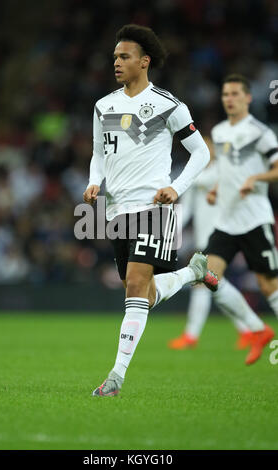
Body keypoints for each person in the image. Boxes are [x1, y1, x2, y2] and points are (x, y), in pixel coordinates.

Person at [83, 24, 218, 397]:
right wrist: (95, 181)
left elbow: (201, 153)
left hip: (154, 208)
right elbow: (98, 153)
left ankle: (116, 377)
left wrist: (175, 187)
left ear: (144, 61)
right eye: (114, 57)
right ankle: (192, 273)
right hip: (116, 210)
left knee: (138, 285)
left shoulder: (167, 104)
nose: (117, 62)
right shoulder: (103, 105)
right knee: (138, 291)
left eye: (124, 57)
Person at [197, 74, 278, 365]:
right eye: (225, 94)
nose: (228, 99)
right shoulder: (219, 132)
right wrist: (217, 189)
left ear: (248, 97)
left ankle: (259, 329)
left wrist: (256, 177)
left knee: (269, 286)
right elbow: (225, 168)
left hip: (255, 218)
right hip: (227, 220)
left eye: (234, 94)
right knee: (207, 276)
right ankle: (258, 329)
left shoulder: (260, 132)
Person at [168, 138, 254, 351]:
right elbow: (186, 210)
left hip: (220, 238)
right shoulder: (197, 179)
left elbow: (205, 179)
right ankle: (248, 330)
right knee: (213, 285)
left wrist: (184, 180)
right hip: (203, 239)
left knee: (204, 285)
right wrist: (171, 232)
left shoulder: (220, 173)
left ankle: (192, 336)